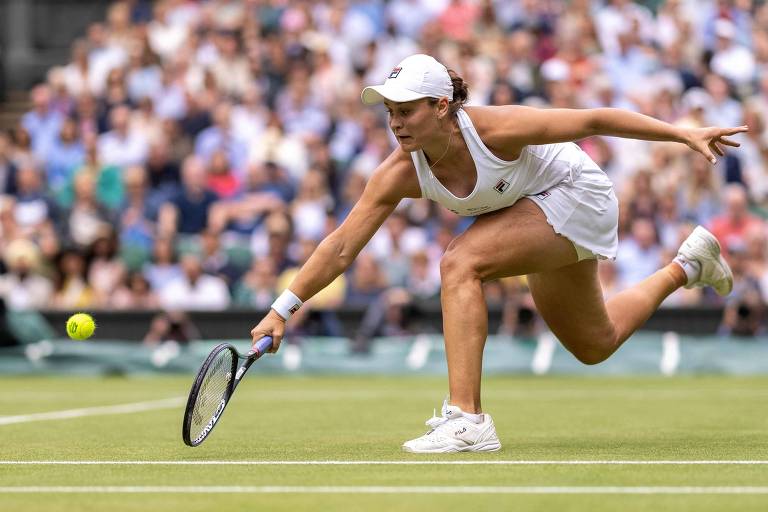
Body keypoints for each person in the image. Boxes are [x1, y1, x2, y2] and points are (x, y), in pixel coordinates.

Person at [249, 54, 745, 453]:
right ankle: (689, 264)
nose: (395, 124)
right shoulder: (399, 171)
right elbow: (339, 247)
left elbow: (593, 119)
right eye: (390, 112)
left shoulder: (494, 128)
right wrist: (281, 309)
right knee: (595, 342)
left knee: (460, 261)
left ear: (442, 106)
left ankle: (467, 419)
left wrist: (682, 133)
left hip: (577, 191)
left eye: (406, 110)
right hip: (536, 212)